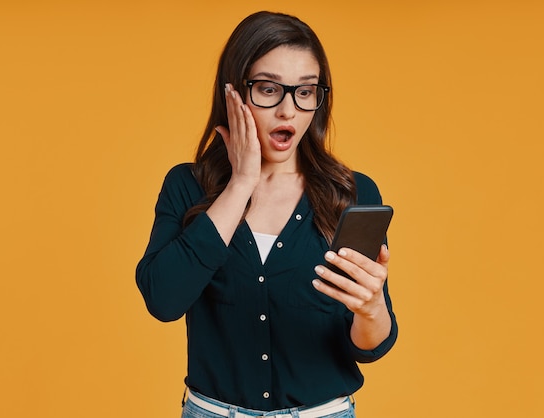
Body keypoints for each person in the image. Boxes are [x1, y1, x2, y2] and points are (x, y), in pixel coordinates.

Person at [136, 11, 398, 418]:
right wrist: (241, 184)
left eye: (305, 92)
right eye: (269, 89)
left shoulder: (353, 193)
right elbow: (163, 299)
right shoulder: (187, 186)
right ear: (234, 94)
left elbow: (370, 346)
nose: (288, 110)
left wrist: (371, 308)